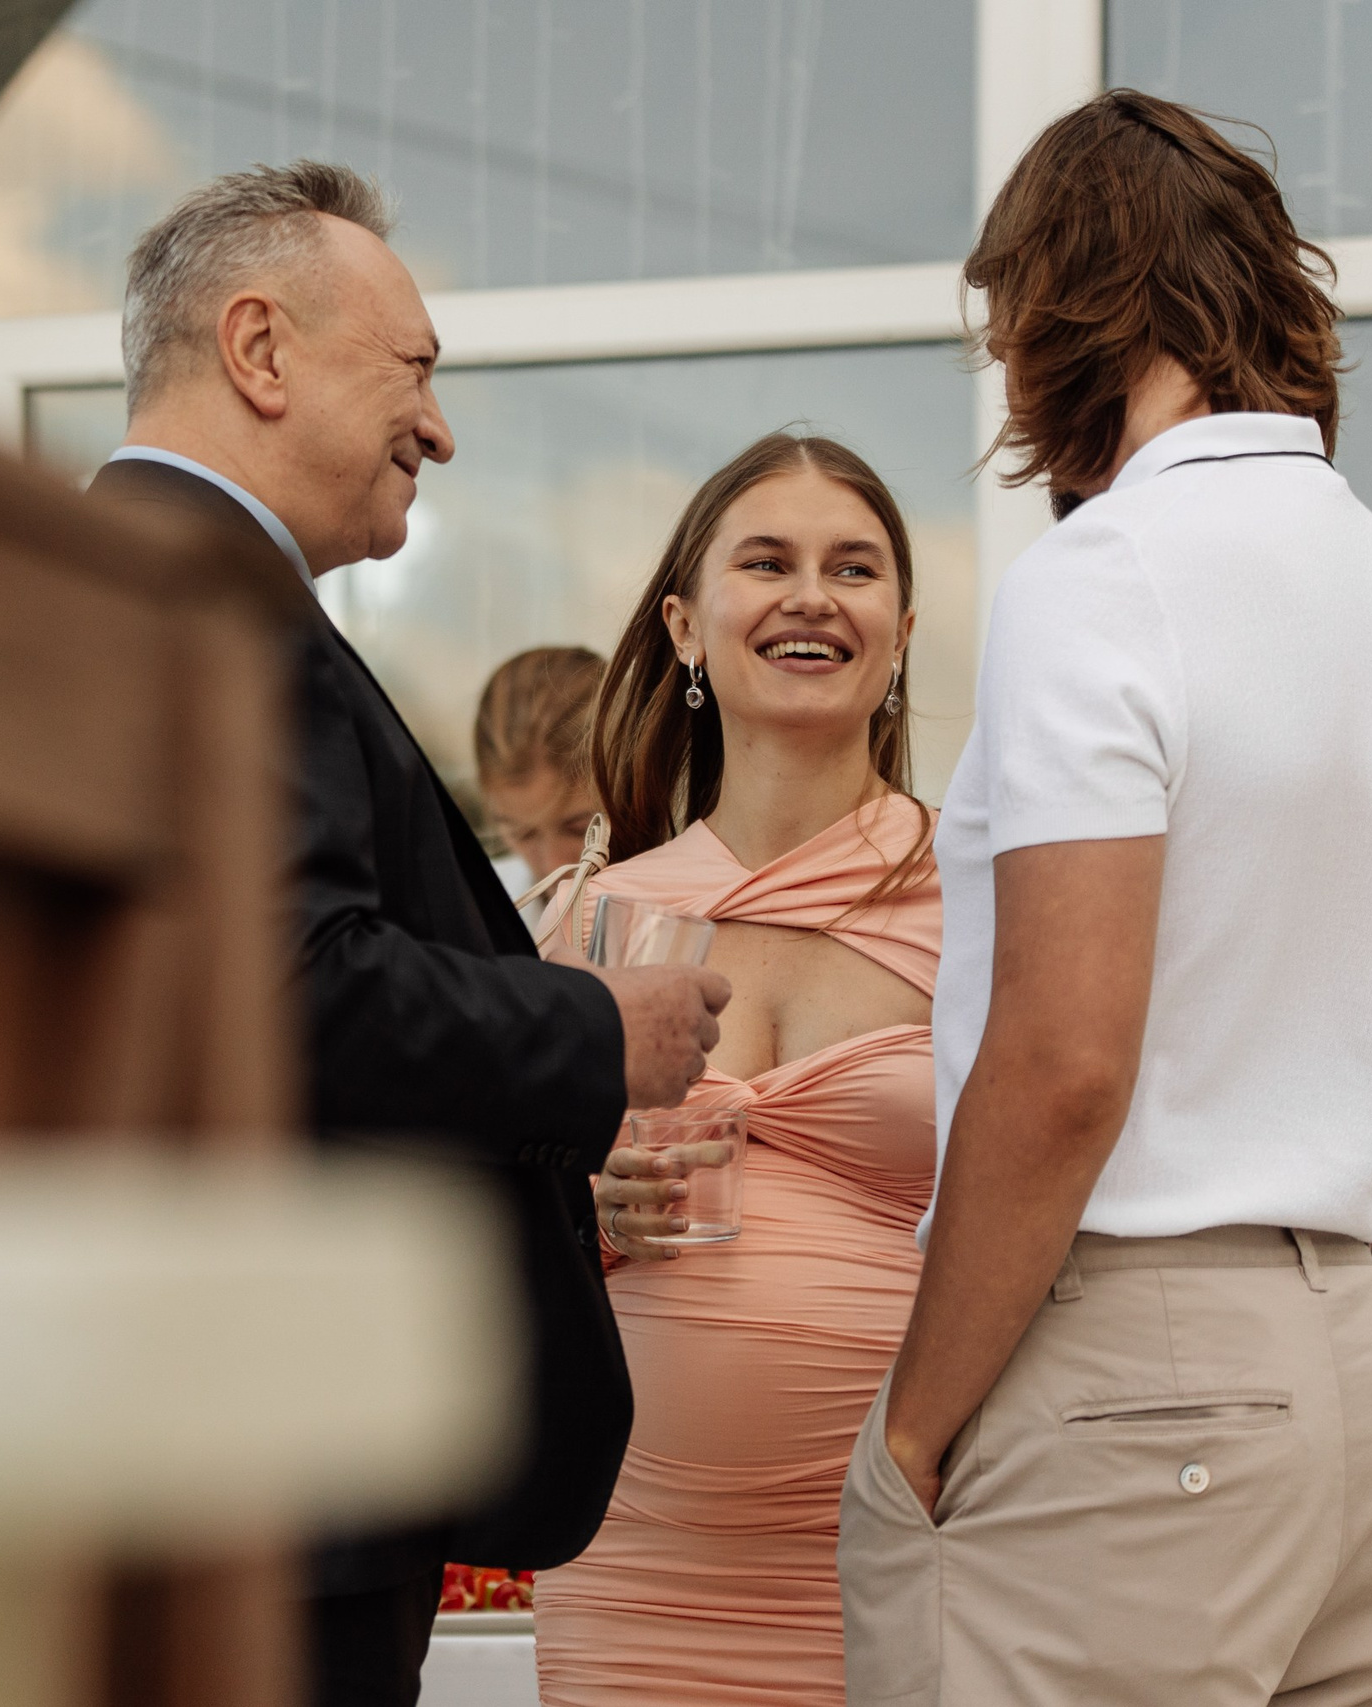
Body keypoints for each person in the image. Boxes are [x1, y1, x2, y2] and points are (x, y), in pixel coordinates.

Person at [838, 91, 1372, 1707]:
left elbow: (1070, 1058)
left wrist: (918, 1425)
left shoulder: (1109, 572)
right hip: (1356, 1378)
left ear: (1059, 309)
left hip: (1131, 1381)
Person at [85, 161, 732, 1707]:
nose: (438, 427)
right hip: (279, 1469)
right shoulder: (217, 608)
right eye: (416, 370)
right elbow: (288, 990)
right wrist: (594, 1030)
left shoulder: (114, 582)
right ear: (259, 351)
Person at [531, 434, 938, 1706]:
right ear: (686, 627)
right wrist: (566, 1215)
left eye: (852, 568)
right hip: (632, 1566)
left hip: (912, 1550)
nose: (811, 595)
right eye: (766, 562)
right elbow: (468, 1231)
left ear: (901, 630)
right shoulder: (589, 925)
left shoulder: (986, 903)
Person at [475, 646, 607, 888]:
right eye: (522, 834)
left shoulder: (684, 910)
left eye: (582, 830)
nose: (552, 867)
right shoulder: (478, 900)